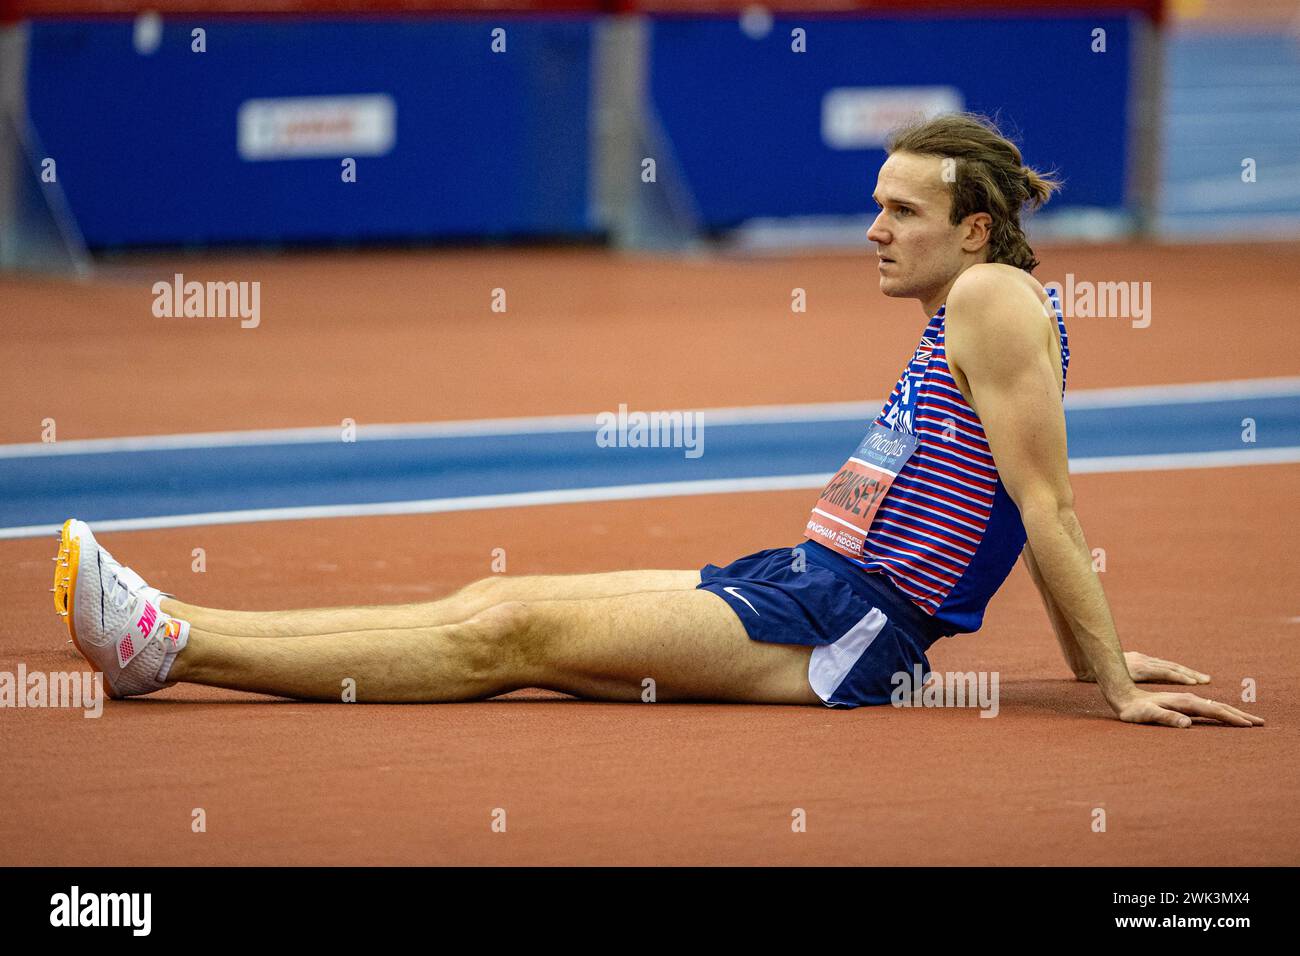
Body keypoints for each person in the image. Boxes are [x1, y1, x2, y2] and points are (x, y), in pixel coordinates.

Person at [50, 113, 1262, 729]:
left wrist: (1108, 678)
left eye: (901, 210)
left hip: (847, 626)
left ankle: (169, 649)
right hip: (805, 577)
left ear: (977, 228)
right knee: (495, 595)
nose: (873, 229)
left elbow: (1043, 503)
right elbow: (1015, 496)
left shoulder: (995, 298)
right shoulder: (979, 298)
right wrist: (1083, 658)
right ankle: (177, 618)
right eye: (874, 205)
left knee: (508, 634)